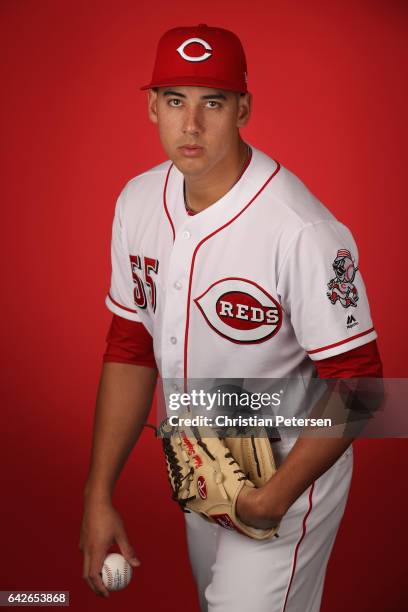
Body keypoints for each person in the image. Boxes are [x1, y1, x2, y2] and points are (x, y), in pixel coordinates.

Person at [79, 24, 383, 611]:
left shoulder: (301, 229)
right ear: (151, 107)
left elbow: (362, 386)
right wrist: (98, 493)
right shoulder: (137, 202)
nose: (190, 125)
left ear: (243, 107)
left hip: (289, 477)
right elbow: (130, 346)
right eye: (175, 101)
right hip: (203, 471)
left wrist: (273, 499)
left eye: (212, 102)